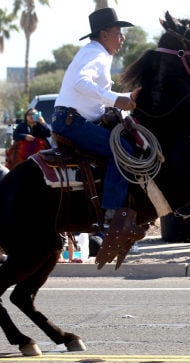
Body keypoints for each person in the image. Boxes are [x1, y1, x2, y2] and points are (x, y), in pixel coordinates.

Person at [52, 7, 136, 226]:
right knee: (124, 150)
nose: (122, 38)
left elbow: (97, 93)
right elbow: (81, 83)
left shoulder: (95, 52)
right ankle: (111, 214)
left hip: (69, 119)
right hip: (72, 122)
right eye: (118, 33)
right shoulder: (96, 53)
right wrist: (116, 100)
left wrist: (130, 96)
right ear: (104, 34)